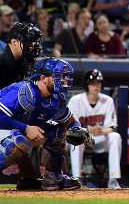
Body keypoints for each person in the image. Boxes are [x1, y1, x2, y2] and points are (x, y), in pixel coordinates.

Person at [0, 57, 89, 191]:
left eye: (65, 76)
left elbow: (69, 120)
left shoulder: (55, 98)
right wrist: (26, 128)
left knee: (59, 131)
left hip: (17, 132)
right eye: (58, 76)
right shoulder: (23, 91)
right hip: (5, 130)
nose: (64, 80)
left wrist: (76, 128)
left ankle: (52, 178)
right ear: (43, 78)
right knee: (18, 141)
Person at [0, 22, 42, 189]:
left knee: (37, 128)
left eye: (34, 44)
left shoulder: (24, 65)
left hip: (7, 117)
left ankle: (29, 178)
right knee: (19, 137)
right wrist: (24, 127)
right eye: (28, 43)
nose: (32, 47)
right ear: (15, 42)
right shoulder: (2, 63)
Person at [68, 69, 122, 189]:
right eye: (93, 83)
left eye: (98, 83)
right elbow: (70, 127)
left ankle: (113, 180)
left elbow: (112, 127)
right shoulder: (75, 101)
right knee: (75, 141)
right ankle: (77, 179)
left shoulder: (108, 101)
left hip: (100, 139)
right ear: (87, 85)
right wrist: (87, 131)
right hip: (82, 139)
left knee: (115, 137)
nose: (96, 86)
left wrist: (102, 131)